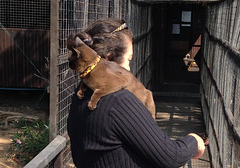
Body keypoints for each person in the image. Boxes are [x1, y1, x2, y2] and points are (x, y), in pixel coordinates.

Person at [67, 18, 205, 168]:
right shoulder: (119, 102)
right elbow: (171, 156)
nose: (129, 68)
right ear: (109, 59)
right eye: (129, 59)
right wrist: (194, 141)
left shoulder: (79, 96)